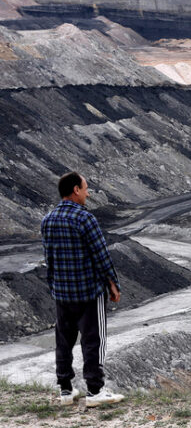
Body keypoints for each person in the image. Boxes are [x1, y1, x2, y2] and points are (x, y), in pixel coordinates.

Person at [41, 171, 125, 407]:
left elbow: (49, 259)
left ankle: (66, 391)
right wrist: (113, 283)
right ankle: (95, 391)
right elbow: (101, 255)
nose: (88, 193)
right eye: (86, 188)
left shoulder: (48, 220)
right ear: (76, 190)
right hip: (88, 291)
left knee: (63, 341)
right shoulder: (85, 219)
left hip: (62, 292)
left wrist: (54, 286)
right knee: (93, 340)